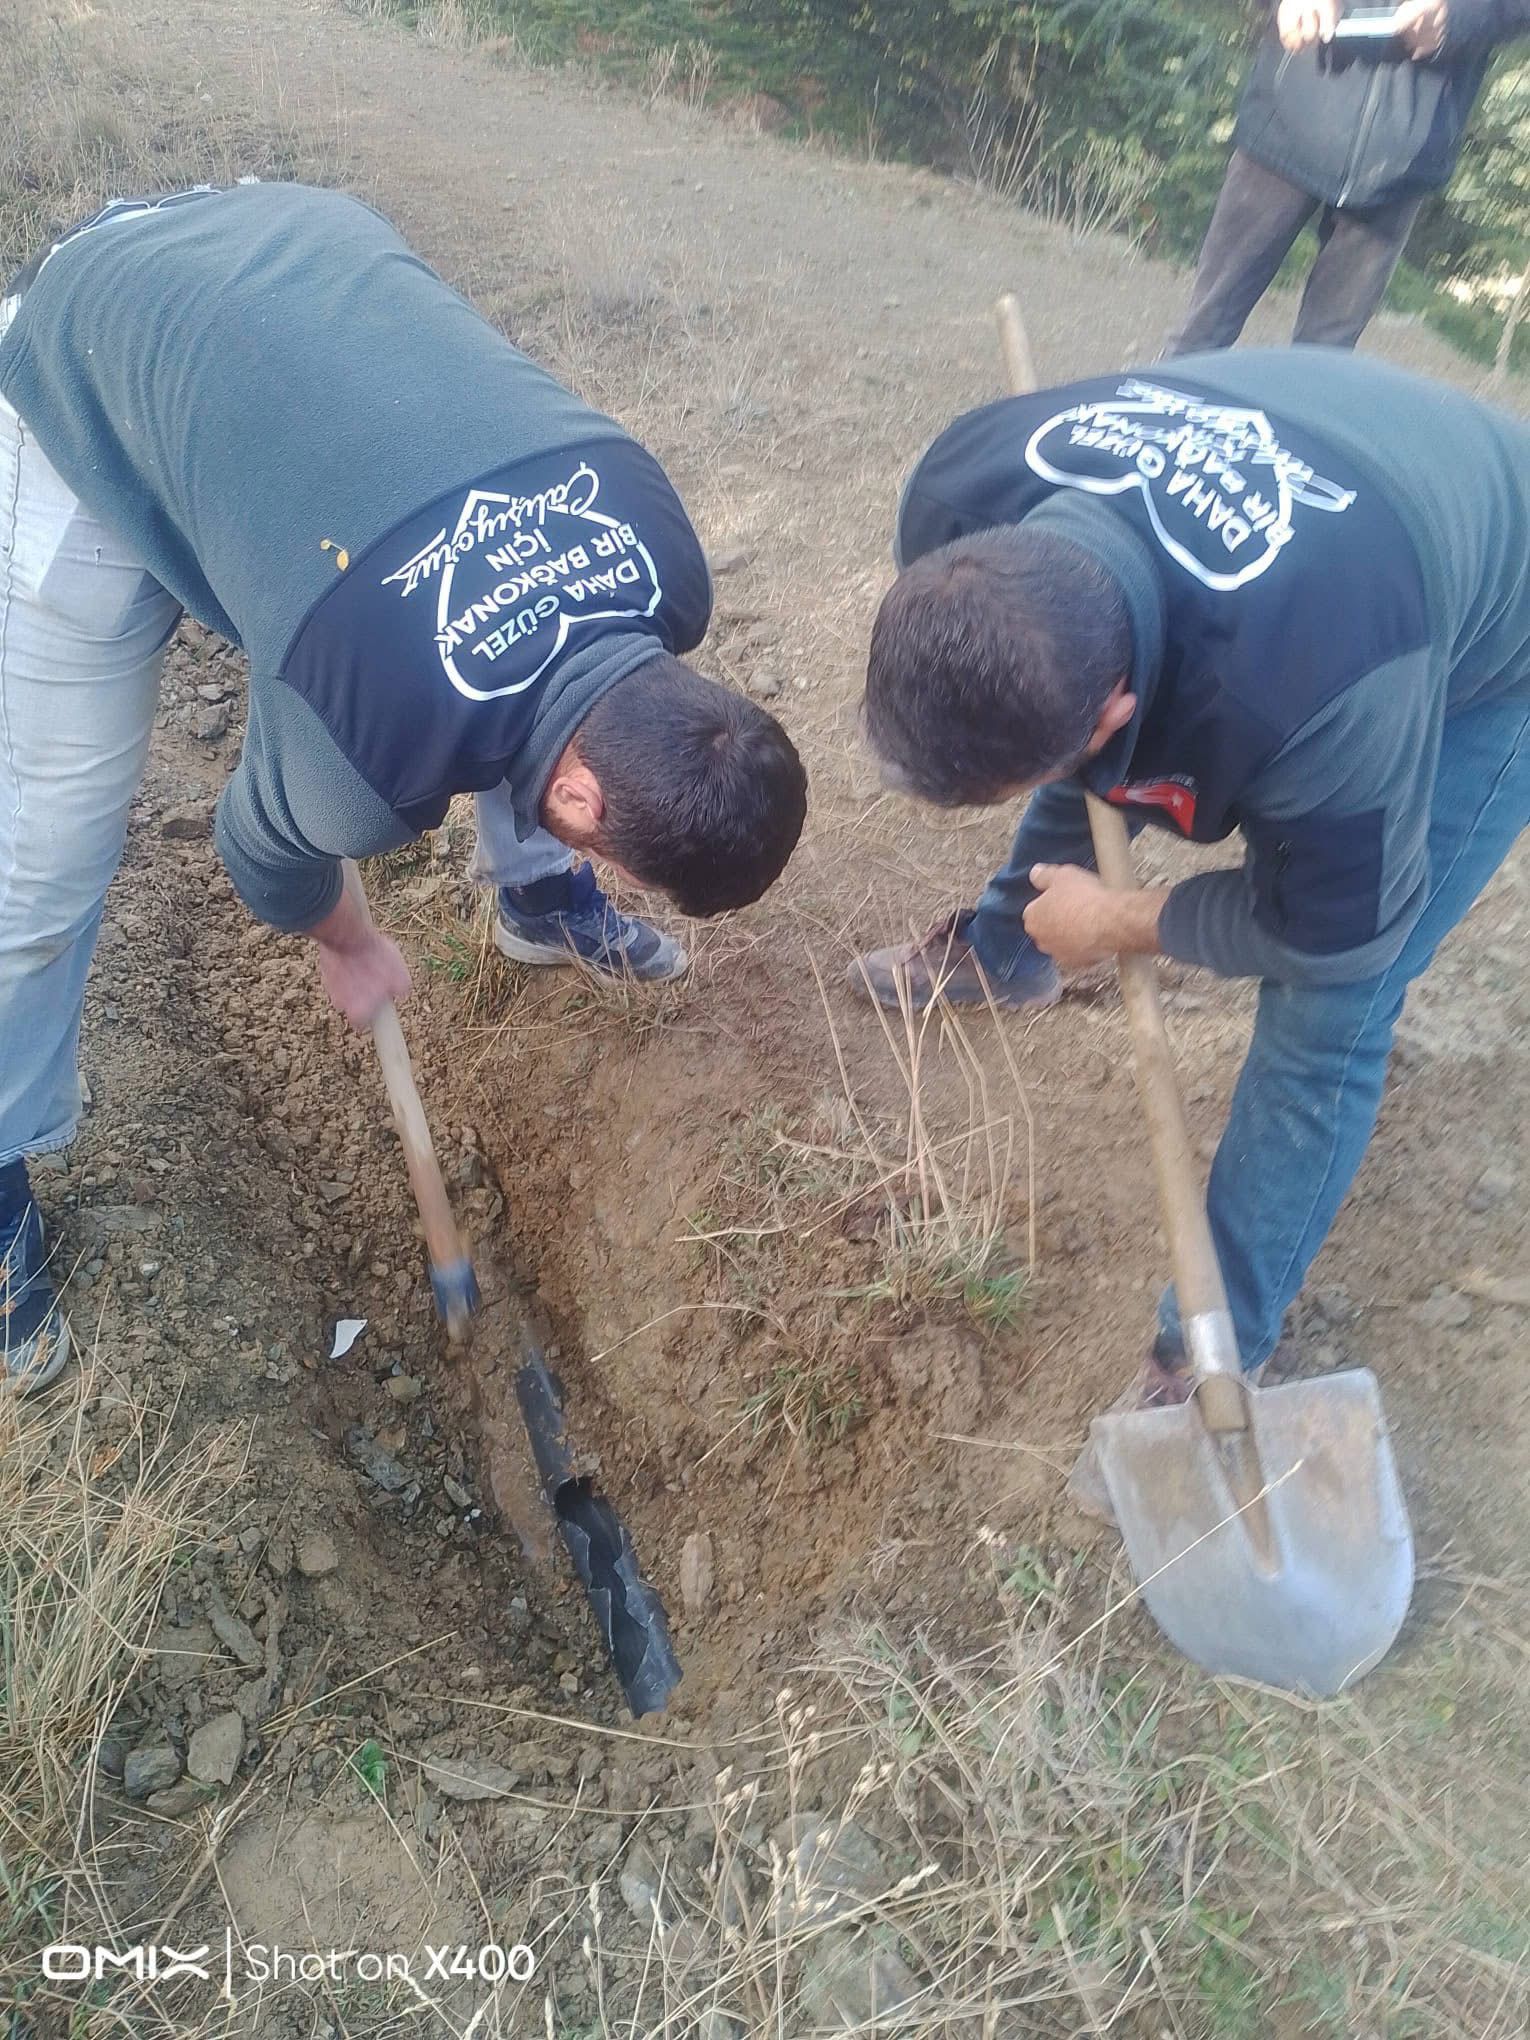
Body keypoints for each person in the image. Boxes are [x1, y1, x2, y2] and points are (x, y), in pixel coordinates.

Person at [0, 183, 807, 1391]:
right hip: (106, 344)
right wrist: (344, 936)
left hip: (296, 253)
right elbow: (260, 851)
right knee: (40, 868)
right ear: (586, 809)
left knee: (510, 687)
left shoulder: (666, 572)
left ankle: (533, 906)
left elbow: (531, 691)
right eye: (610, 861)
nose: (612, 864)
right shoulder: (358, 766)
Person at [851, 350, 1530, 1401]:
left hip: (1488, 617)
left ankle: (1213, 1348)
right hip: (1336, 468)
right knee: (1046, 700)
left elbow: (1330, 930)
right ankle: (1007, 953)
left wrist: (1120, 921)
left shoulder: (1323, 687)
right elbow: (1050, 695)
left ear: (1116, 715)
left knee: (1336, 1006)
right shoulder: (959, 490)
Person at [1166, 0, 1530, 355]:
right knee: (1202, 334)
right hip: (1284, 120)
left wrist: (1461, 14)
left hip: (1401, 158)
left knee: (1323, 363)